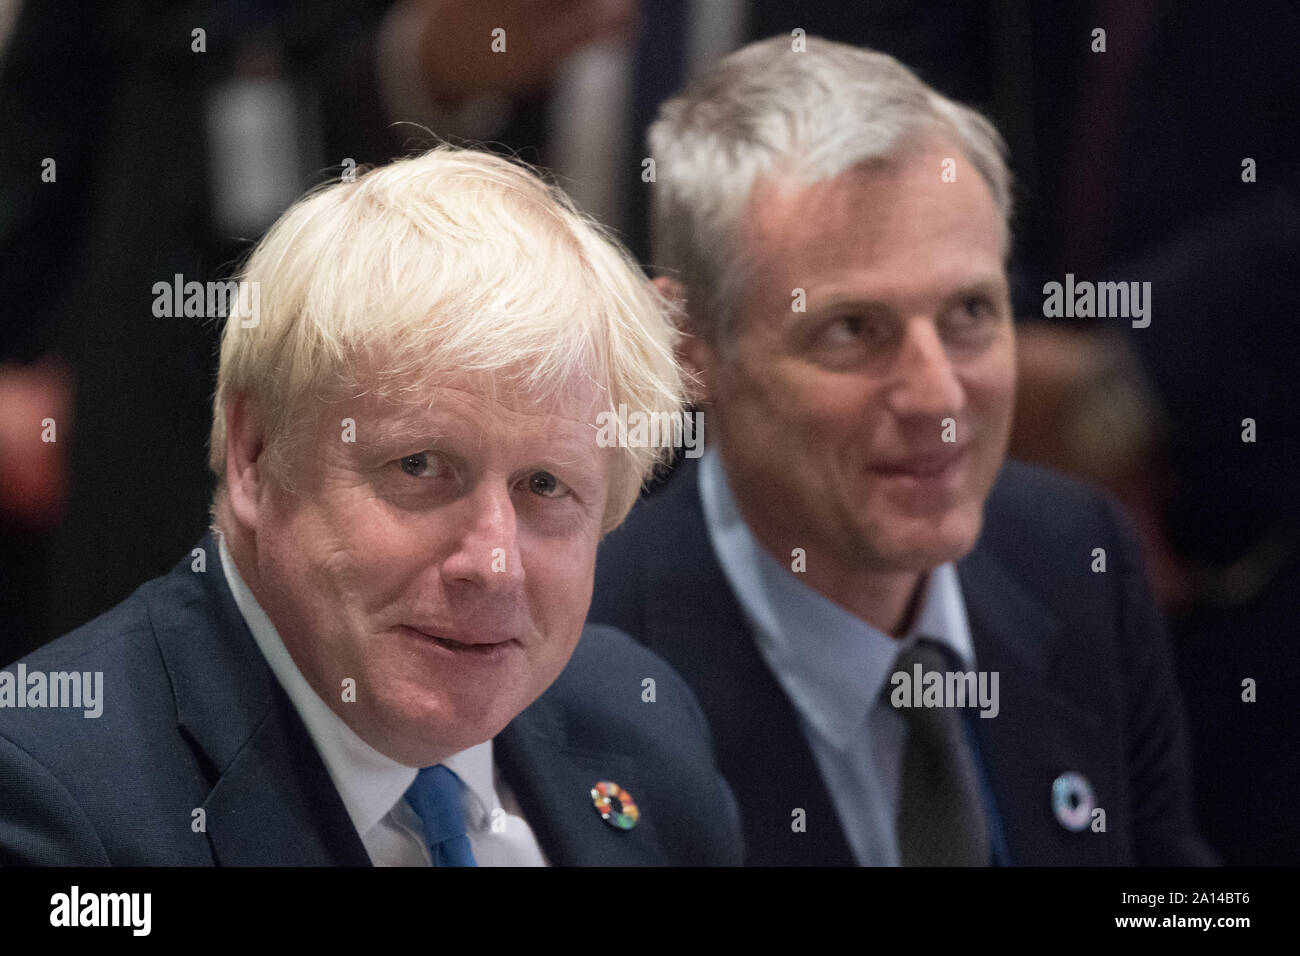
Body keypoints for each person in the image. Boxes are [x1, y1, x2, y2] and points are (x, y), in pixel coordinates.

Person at [0, 146, 741, 867]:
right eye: (419, 466)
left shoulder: (643, 727)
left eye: (544, 485)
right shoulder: (56, 803)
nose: (491, 563)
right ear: (255, 455)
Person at [588, 36, 1214, 866]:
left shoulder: (1077, 560)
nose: (938, 396)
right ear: (691, 346)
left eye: (969, 314)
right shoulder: (590, 670)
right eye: (853, 330)